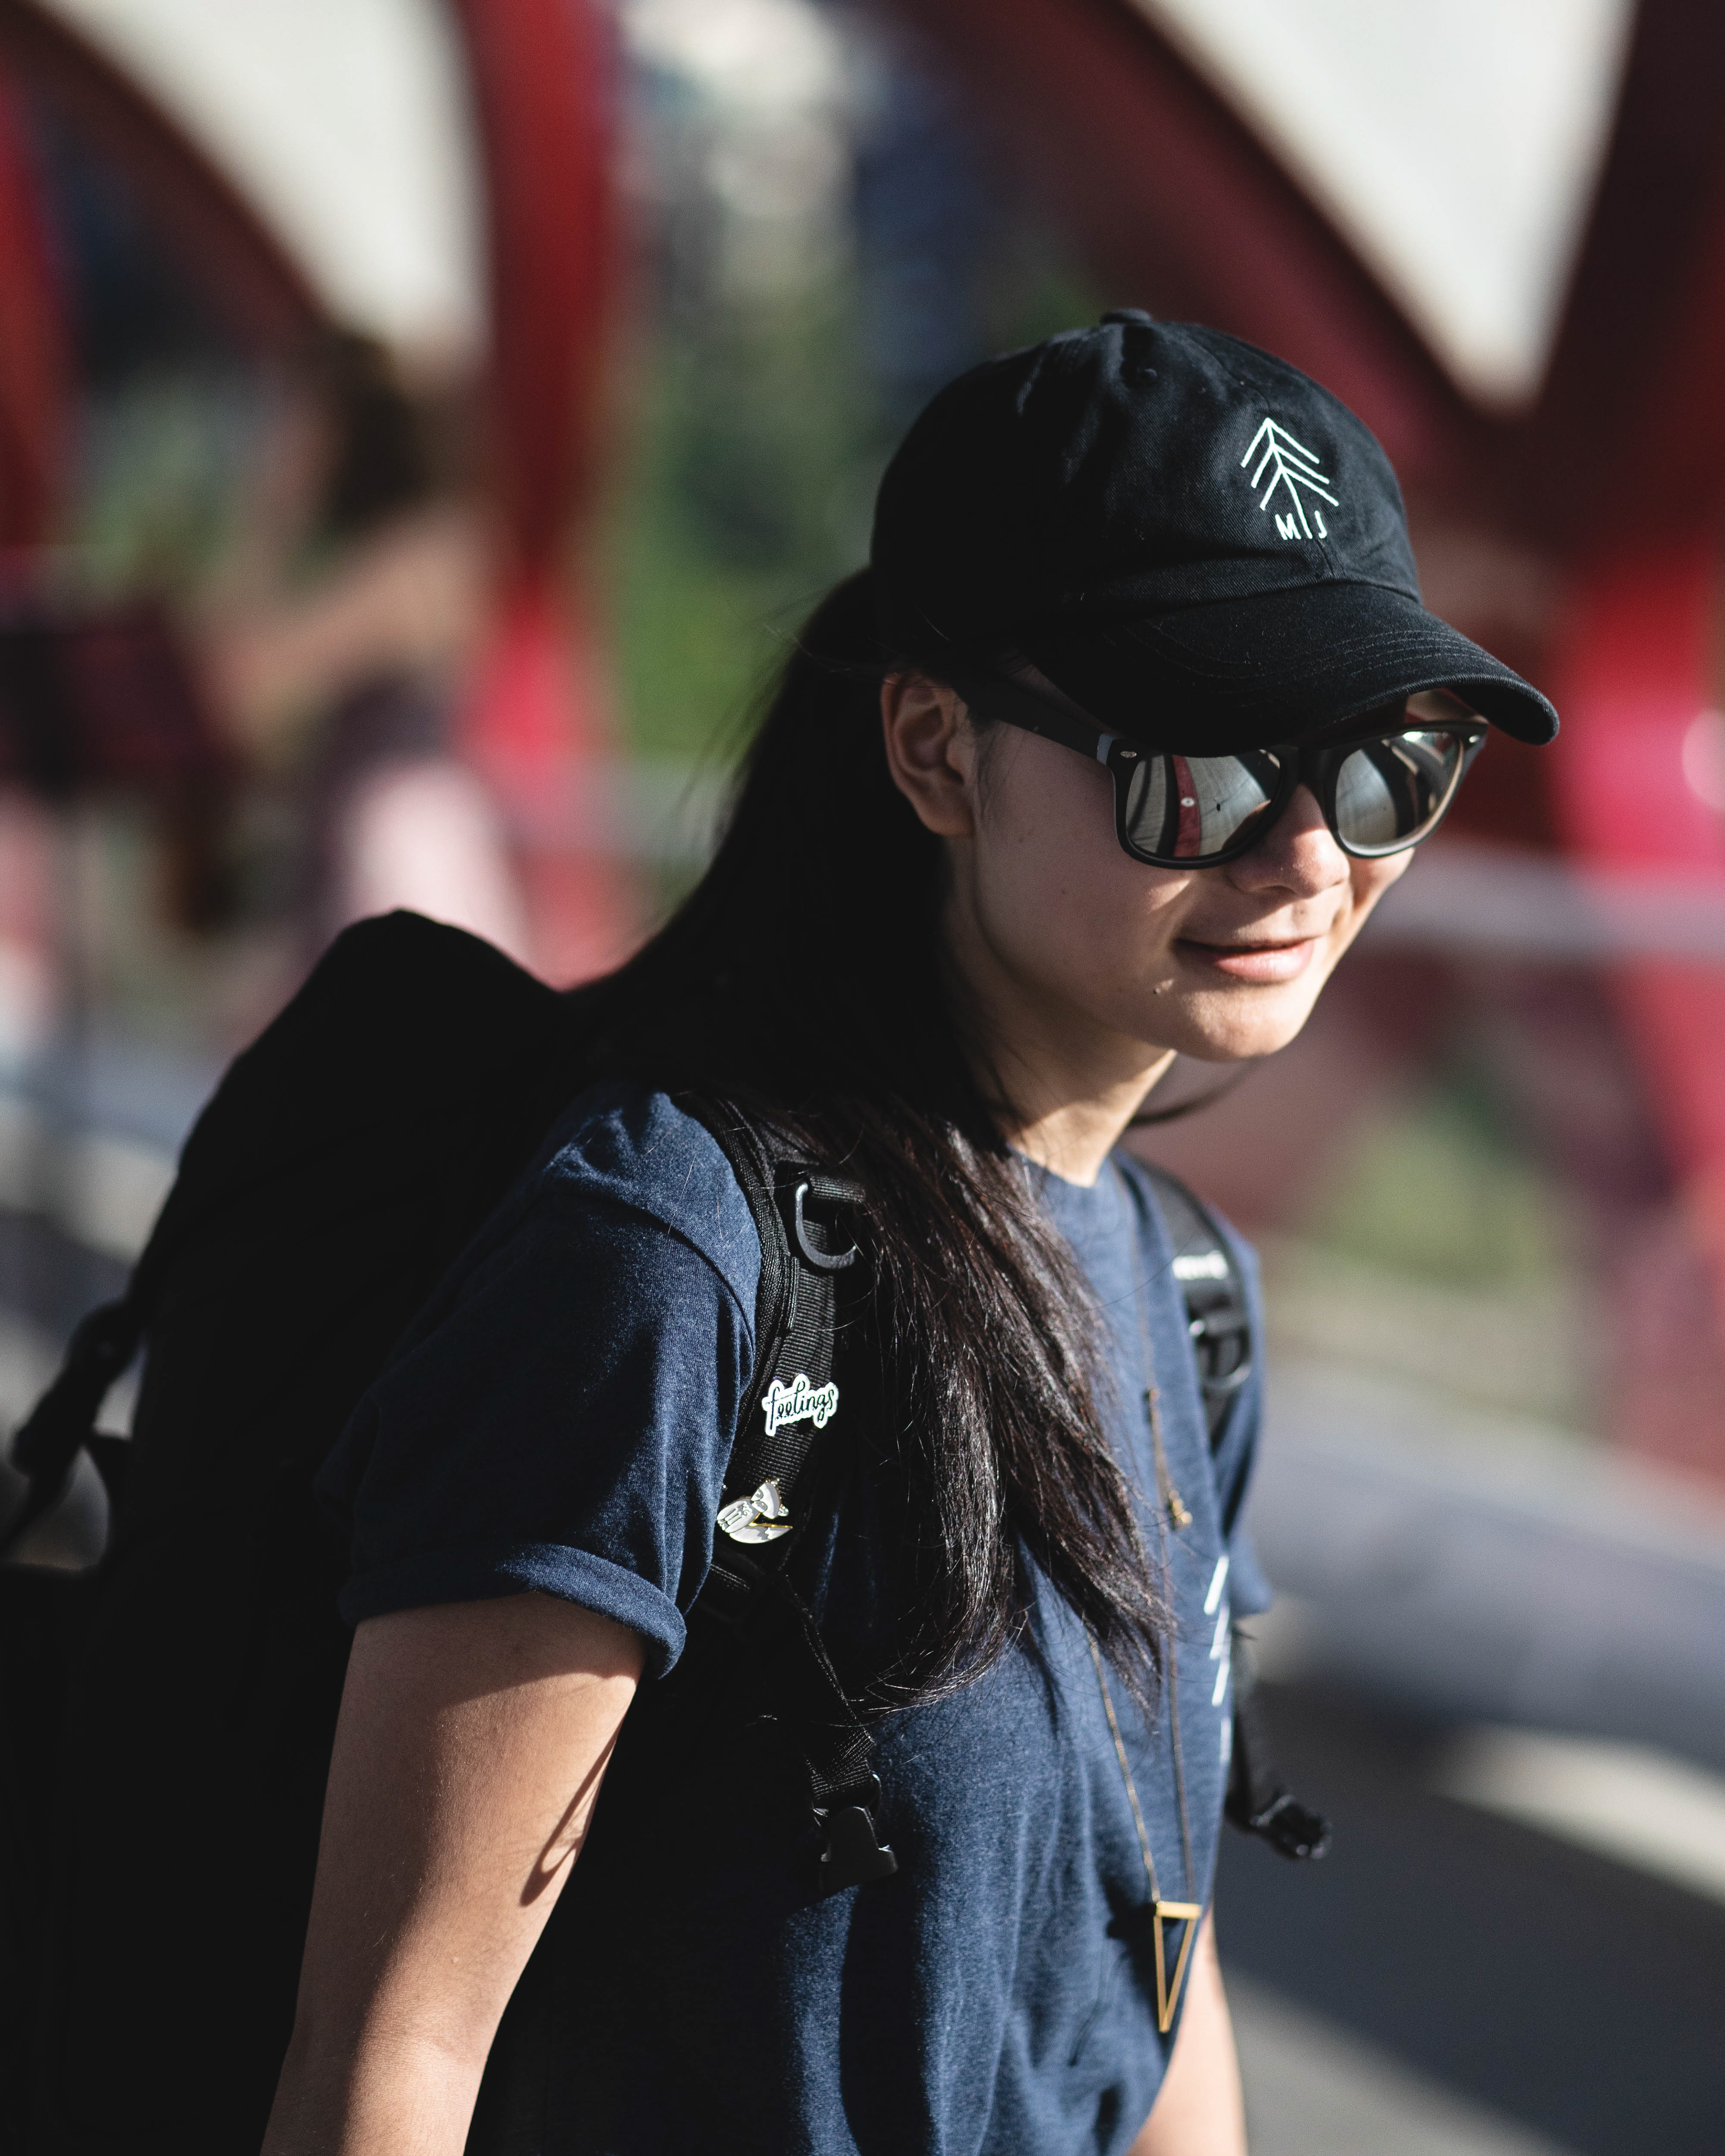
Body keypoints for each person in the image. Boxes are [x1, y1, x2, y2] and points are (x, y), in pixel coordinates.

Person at [261, 313, 1556, 2156]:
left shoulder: (1190, 1290)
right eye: (1198, 767)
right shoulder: (672, 1256)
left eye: (1386, 768)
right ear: (938, 750)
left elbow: (1144, 1954)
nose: (1307, 860)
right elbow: (391, 2057)